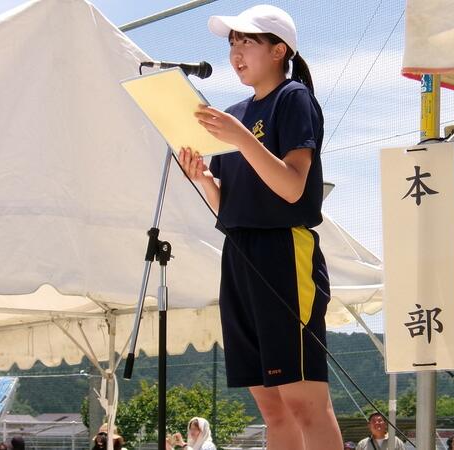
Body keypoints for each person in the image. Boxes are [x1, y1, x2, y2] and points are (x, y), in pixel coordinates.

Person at [178, 4, 340, 450]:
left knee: (305, 402)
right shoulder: (234, 114)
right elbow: (228, 206)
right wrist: (202, 179)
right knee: (273, 409)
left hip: (283, 252)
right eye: (232, 43)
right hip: (238, 254)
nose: (236, 53)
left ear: (279, 50)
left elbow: (291, 186)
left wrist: (240, 138)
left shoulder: (293, 98)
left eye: (247, 41)